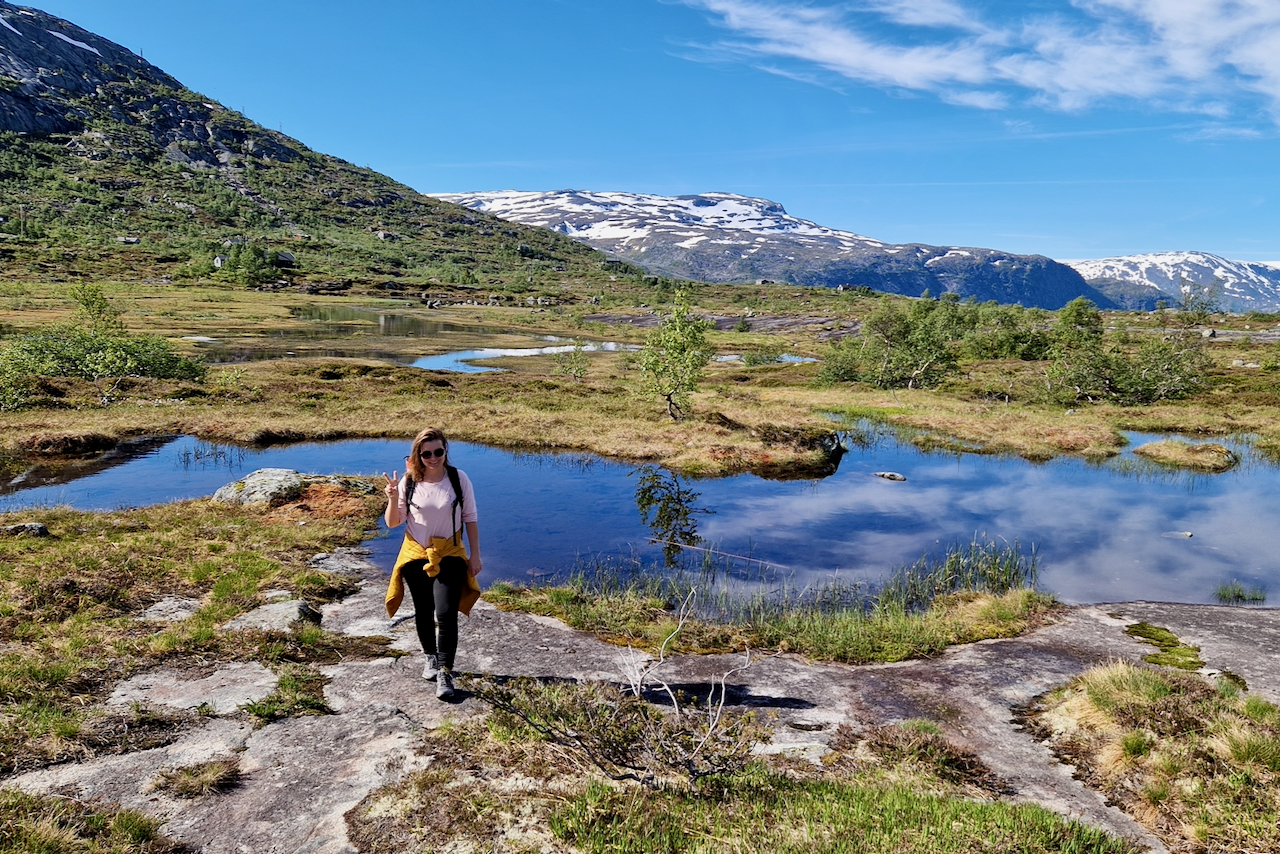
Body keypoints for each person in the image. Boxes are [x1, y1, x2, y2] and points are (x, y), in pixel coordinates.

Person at [383, 427, 482, 699]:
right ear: (418, 454)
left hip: (449, 553)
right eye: (426, 453)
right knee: (423, 610)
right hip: (416, 556)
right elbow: (393, 522)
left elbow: (470, 518)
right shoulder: (409, 481)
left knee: (446, 613)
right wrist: (392, 498)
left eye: (438, 451)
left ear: (445, 450)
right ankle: (430, 656)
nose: (433, 457)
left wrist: (475, 555)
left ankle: (445, 672)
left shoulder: (458, 479)